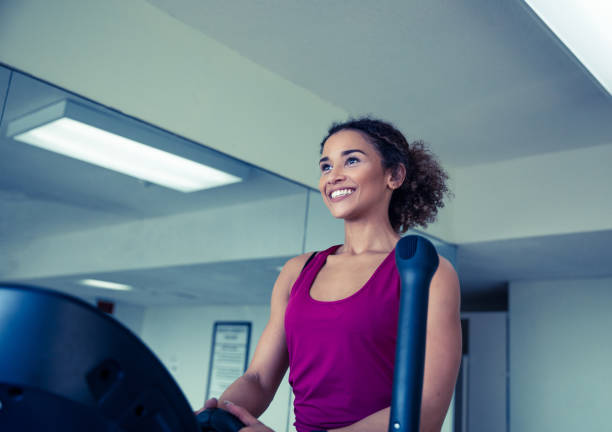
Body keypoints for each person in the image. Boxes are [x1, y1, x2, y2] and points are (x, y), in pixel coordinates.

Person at [199, 117, 462, 432]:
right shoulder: (298, 270)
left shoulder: (426, 271)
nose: (334, 176)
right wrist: (221, 417)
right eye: (325, 167)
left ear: (394, 175)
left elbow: (426, 412)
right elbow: (258, 378)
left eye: (351, 160)